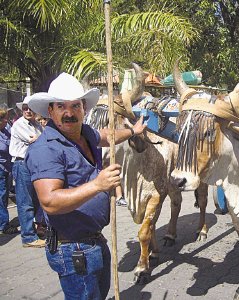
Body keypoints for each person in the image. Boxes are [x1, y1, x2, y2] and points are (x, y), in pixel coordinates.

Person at [25, 72, 146, 299]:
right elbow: (50, 202)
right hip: (72, 248)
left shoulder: (84, 133)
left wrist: (132, 131)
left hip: (92, 240)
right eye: (61, 106)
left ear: (84, 109)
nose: (69, 113)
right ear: (50, 111)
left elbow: (106, 135)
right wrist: (98, 185)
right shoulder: (46, 149)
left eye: (75, 106)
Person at [10, 96, 45, 247]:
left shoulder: (36, 124)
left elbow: (41, 139)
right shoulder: (19, 125)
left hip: (33, 163)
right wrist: (41, 138)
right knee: (25, 202)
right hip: (22, 163)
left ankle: (38, 229)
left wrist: (41, 138)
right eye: (25, 108)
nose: (27, 110)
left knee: (36, 199)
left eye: (30, 108)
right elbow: (40, 140)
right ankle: (28, 237)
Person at [0, 104, 19, 234]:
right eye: (4, 118)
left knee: (4, 195)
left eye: (6, 117)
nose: (7, 120)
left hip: (7, 168)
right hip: (1, 168)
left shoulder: (7, 129)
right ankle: (4, 225)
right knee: (1, 196)